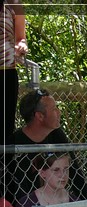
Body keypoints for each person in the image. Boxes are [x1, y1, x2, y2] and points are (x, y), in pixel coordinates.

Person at [7, 89, 87, 204]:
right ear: (40, 116)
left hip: (53, 203)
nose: (59, 112)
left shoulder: (57, 135)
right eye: (54, 109)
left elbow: (75, 173)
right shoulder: (12, 144)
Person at [2, 0, 27, 141]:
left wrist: (21, 46)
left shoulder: (14, 4)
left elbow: (20, 38)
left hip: (5, 73)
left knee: (5, 128)